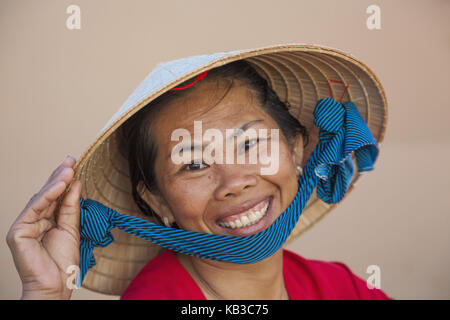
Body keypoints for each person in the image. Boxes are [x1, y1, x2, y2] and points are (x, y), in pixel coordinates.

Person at [6, 45, 392, 300]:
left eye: (250, 143)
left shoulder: (340, 288)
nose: (234, 181)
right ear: (158, 201)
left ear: (295, 150)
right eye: (193, 164)